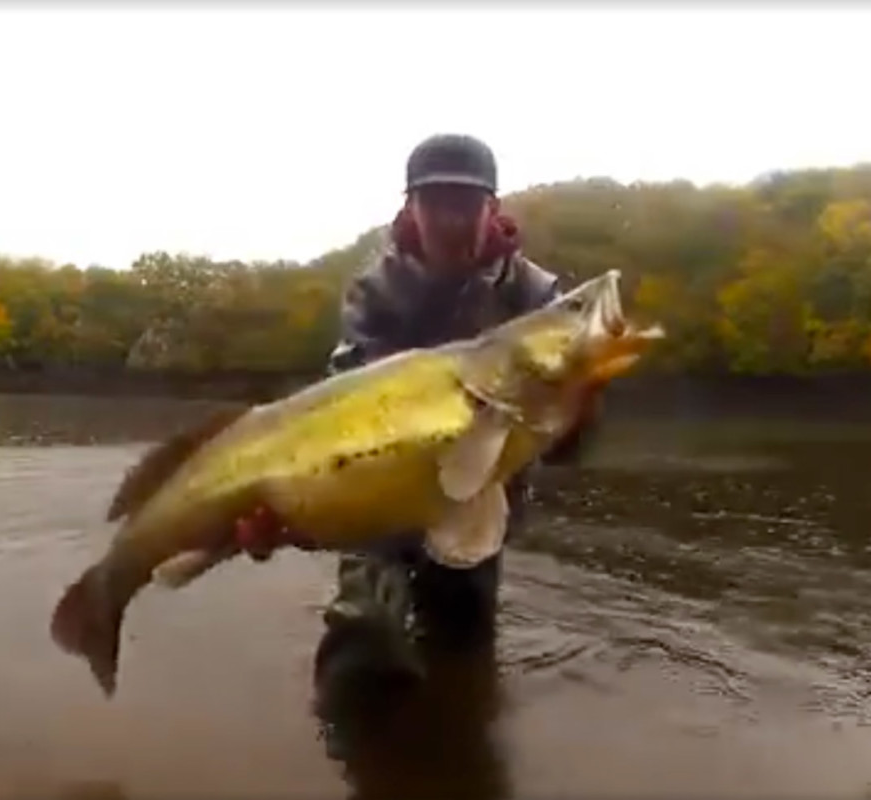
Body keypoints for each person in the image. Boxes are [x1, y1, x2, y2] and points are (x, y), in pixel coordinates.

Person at [237, 133, 604, 706]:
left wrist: (582, 401)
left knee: (463, 660)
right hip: (380, 492)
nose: (451, 220)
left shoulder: (540, 297)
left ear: (493, 210)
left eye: (466, 204)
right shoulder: (375, 288)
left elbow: (565, 451)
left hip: (478, 496)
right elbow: (340, 414)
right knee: (361, 650)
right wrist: (296, 515)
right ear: (410, 208)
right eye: (436, 204)